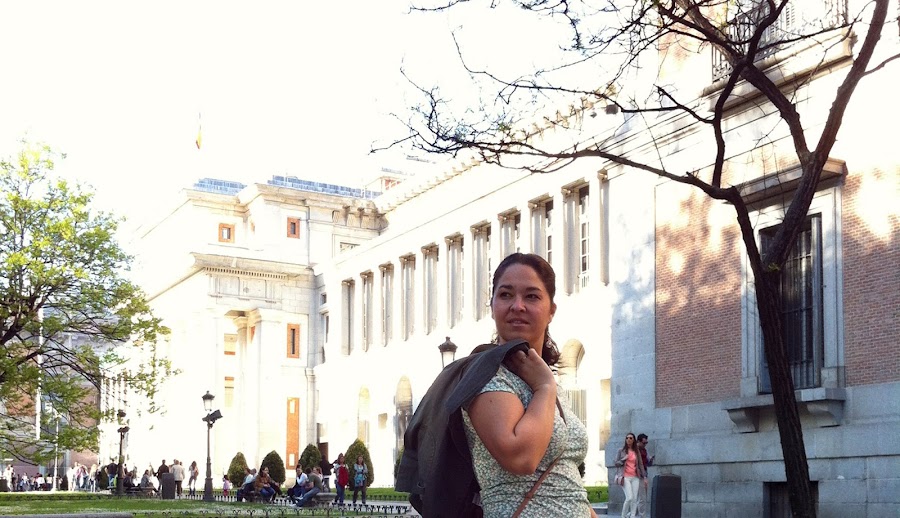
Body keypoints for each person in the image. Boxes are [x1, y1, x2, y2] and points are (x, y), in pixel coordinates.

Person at [463, 253, 597, 517]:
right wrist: (545, 387)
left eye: (532, 296)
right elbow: (521, 458)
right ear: (492, 306)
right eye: (506, 295)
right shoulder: (487, 377)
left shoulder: (544, 381)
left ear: (551, 311)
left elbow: (565, 482)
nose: (518, 306)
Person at [615, 433, 647, 518]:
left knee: (635, 498)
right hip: (625, 477)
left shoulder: (636, 451)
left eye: (630, 438)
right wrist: (623, 459)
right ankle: (623, 516)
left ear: (633, 440)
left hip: (635, 477)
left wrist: (644, 477)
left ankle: (632, 516)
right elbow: (616, 463)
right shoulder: (621, 450)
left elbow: (640, 464)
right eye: (627, 438)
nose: (628, 439)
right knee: (629, 497)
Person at [636, 434, 655, 518]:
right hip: (636, 475)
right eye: (644, 443)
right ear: (638, 441)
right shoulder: (634, 451)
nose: (645, 445)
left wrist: (650, 460)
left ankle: (631, 514)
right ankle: (641, 515)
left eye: (646, 443)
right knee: (641, 497)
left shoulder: (644, 451)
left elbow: (648, 464)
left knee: (641, 496)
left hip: (642, 474)